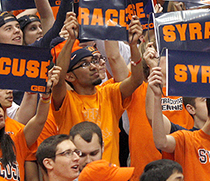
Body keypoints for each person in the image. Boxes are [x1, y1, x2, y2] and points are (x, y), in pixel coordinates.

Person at [51, 14, 145, 166]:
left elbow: (136, 80)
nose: (94, 66)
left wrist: (134, 47)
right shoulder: (66, 101)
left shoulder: (109, 93)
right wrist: (70, 40)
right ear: (70, 76)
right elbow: (58, 79)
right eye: (84, 64)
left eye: (94, 61)